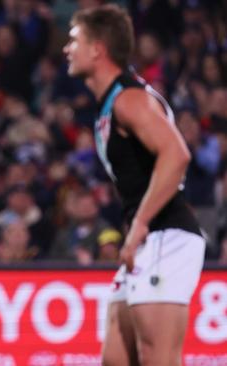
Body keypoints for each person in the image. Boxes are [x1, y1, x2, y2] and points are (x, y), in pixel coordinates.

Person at [64, 5, 205, 366]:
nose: (67, 48)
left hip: (164, 235)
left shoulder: (129, 99)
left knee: (158, 358)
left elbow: (176, 155)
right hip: (147, 241)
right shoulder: (113, 101)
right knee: (115, 358)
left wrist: (139, 224)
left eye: (74, 40)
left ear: (98, 49)